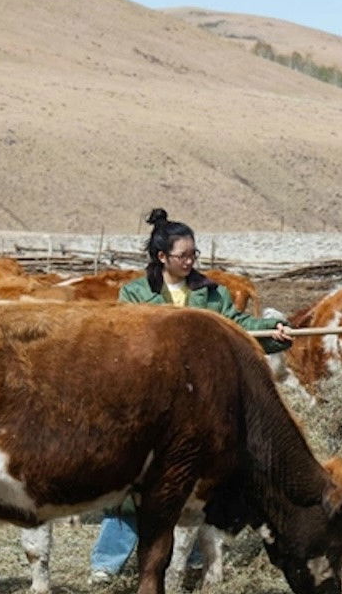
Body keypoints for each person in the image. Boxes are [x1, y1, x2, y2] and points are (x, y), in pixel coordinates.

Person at [88, 208, 293, 584]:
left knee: (187, 482)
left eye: (194, 254)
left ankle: (190, 560)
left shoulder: (210, 292)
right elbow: (120, 340)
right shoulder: (135, 293)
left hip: (197, 403)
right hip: (148, 399)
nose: (190, 262)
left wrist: (270, 330)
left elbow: (238, 326)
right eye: (183, 256)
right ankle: (107, 564)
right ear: (162, 257)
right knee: (133, 479)